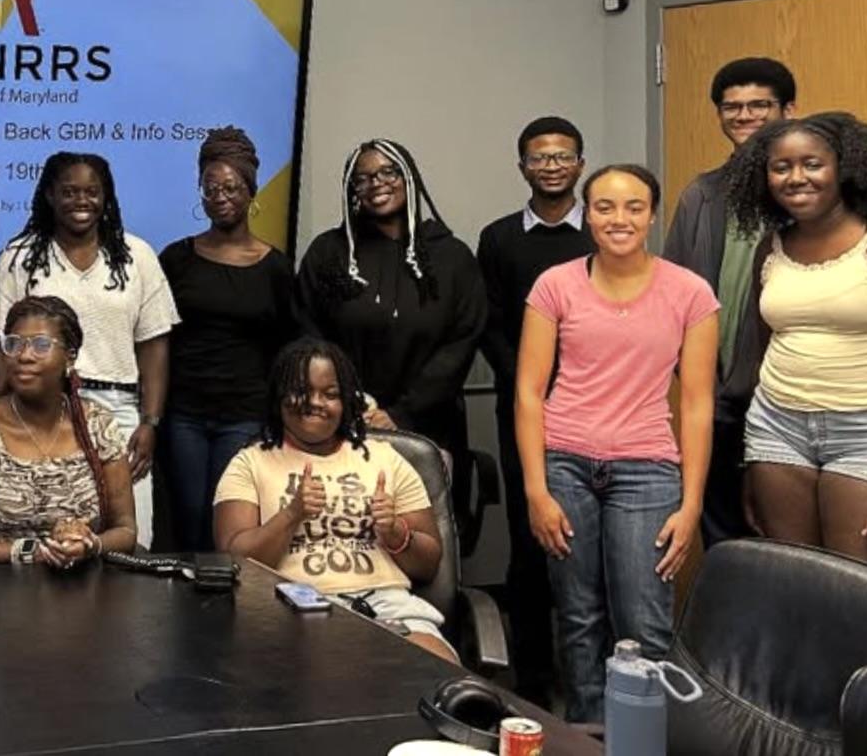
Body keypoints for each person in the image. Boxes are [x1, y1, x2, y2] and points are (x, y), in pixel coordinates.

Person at [516, 164, 716, 725]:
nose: (619, 218)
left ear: (652, 215)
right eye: (604, 206)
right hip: (565, 465)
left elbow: (697, 404)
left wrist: (691, 503)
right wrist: (536, 489)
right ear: (588, 214)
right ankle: (586, 733)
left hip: (648, 469)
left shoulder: (689, 292)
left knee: (643, 621)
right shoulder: (555, 284)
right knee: (578, 617)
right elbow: (529, 393)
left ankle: (642, 739)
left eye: (633, 207)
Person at [723, 113, 867, 571]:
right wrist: (751, 462)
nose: (796, 177)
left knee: (862, 590)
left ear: (843, 168)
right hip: (777, 430)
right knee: (794, 582)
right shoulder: (771, 247)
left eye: (812, 164)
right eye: (781, 167)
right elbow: (765, 351)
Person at [214, 338, 455, 662]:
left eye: (330, 394)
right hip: (295, 606)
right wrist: (292, 514)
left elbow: (428, 566)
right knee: (332, 675)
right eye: (302, 390)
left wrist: (398, 534)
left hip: (387, 604)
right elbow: (235, 563)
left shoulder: (387, 459)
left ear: (346, 403)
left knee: (443, 678)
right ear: (280, 396)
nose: (316, 403)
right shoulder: (249, 463)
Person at [0, 152, 178, 547]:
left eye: (92, 192)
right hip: (42, 410)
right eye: (69, 192)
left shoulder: (137, 256)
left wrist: (151, 422)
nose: (81, 201)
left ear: (106, 197)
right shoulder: (19, 257)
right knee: (50, 533)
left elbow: (154, 345)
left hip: (120, 412)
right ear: (48, 196)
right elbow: (1, 347)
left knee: (129, 535)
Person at [292, 139, 487, 517]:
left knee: (426, 542)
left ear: (409, 177)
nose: (376, 183)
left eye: (388, 172)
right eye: (362, 179)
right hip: (343, 424)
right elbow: (308, 333)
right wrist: (351, 402)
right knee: (349, 533)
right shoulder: (329, 254)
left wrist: (400, 414)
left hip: (430, 427)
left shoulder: (452, 257)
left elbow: (462, 341)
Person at [473, 115, 594, 701]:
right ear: (521, 166)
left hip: (595, 406)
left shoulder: (603, 231)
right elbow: (489, 322)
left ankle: (589, 680)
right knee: (529, 541)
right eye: (539, 157)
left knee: (588, 542)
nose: (550, 166)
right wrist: (529, 380)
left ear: (581, 164)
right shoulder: (498, 238)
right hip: (521, 405)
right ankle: (536, 682)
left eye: (561, 156)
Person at [663, 56, 797, 547]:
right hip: (717, 406)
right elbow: (672, 297)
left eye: (759, 105)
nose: (744, 116)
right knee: (723, 540)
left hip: (792, 404)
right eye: (732, 106)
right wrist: (698, 379)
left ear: (789, 109)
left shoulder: (812, 194)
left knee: (789, 544)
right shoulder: (701, 195)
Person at [158, 127, 294, 551]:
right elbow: (158, 337)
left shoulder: (275, 267)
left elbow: (288, 345)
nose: (220, 196)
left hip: (245, 413)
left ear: (251, 191)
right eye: (210, 187)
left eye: (231, 187)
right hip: (184, 415)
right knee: (187, 519)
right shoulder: (176, 258)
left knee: (228, 527)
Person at [0, 296, 138, 566]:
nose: (24, 355)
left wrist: (90, 545)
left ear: (70, 356)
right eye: (14, 344)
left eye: (41, 345)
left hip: (85, 586)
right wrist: (33, 552)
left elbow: (126, 530)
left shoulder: (99, 427)